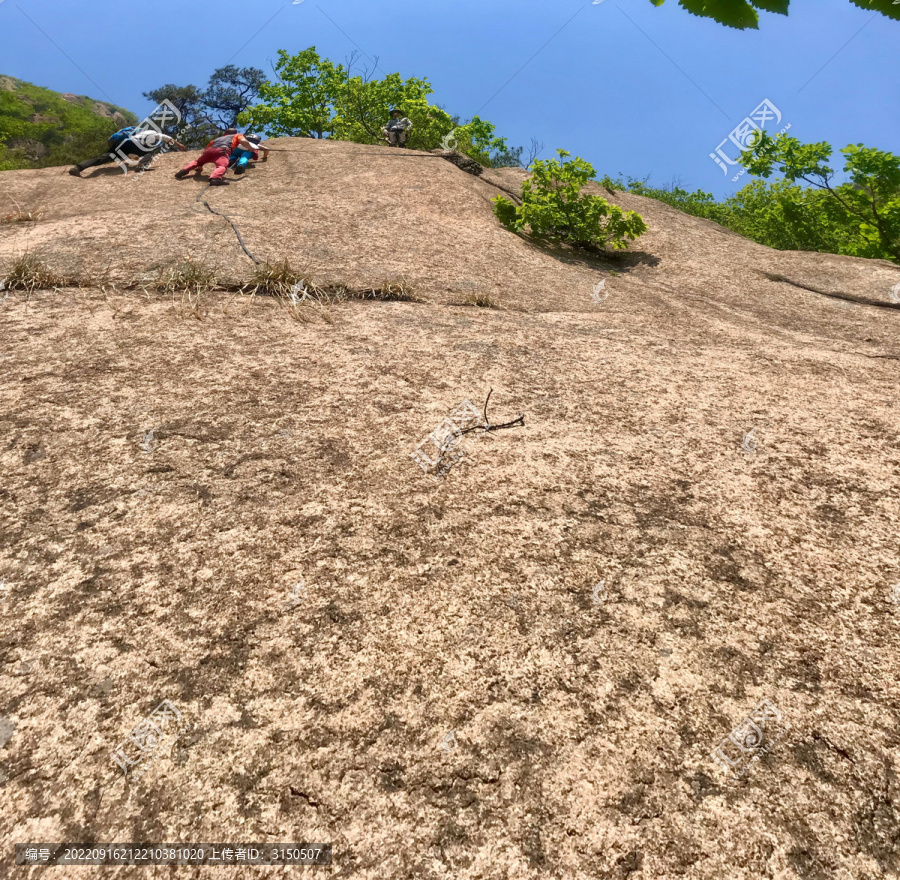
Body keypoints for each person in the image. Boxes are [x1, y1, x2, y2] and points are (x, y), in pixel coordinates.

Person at [69, 127, 186, 177]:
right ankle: (141, 166)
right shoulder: (154, 133)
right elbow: (167, 139)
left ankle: (78, 168)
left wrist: (133, 157)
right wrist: (179, 145)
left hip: (123, 143)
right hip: (133, 144)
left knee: (103, 158)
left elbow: (131, 154)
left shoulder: (139, 132)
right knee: (150, 152)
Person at [173, 129, 256, 186]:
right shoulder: (237, 135)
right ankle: (215, 178)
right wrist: (249, 147)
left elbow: (206, 149)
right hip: (223, 150)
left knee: (198, 161)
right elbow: (243, 141)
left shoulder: (218, 138)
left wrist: (200, 165)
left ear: (225, 134)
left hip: (210, 150)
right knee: (222, 165)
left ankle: (184, 170)